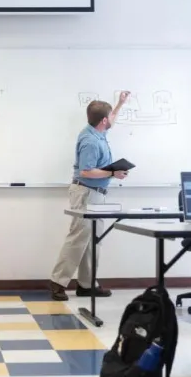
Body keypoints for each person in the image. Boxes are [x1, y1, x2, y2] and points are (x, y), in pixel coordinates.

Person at [50, 91, 131, 301]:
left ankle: (87, 284)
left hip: (96, 194)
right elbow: (86, 171)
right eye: (108, 118)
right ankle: (58, 283)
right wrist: (113, 172)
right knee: (78, 238)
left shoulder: (98, 131)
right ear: (102, 121)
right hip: (86, 192)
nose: (110, 121)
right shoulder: (91, 141)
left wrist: (120, 104)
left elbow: (110, 119)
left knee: (93, 239)